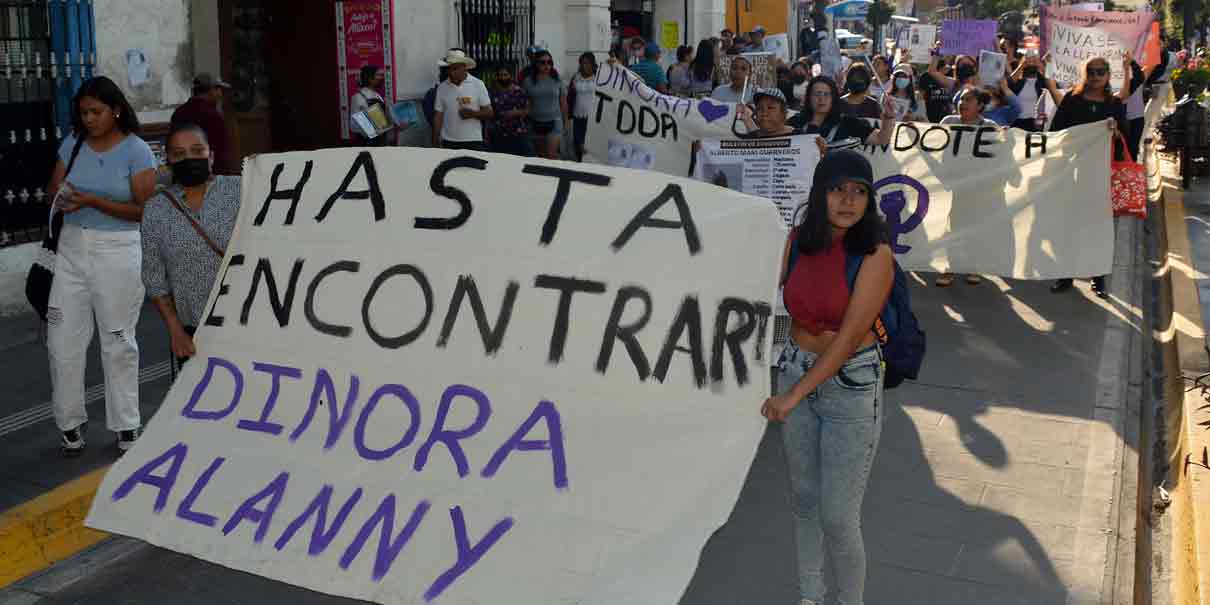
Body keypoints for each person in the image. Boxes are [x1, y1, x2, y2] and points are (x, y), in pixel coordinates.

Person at [763, 148, 894, 605]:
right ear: (820, 194)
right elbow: (750, 288)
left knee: (838, 517)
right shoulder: (797, 240)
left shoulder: (875, 254)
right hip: (796, 365)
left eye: (859, 192)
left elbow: (847, 339)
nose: (848, 200)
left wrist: (794, 394)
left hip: (851, 384)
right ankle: (810, 595)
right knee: (803, 499)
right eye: (837, 189)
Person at [46, 76, 158, 456]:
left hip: (118, 248)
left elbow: (145, 211)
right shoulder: (73, 144)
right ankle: (70, 422)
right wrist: (61, 199)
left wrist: (92, 201)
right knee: (63, 340)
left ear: (116, 111)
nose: (89, 119)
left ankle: (126, 424)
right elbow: (53, 188)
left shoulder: (136, 151)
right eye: (83, 112)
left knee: (117, 338)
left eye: (96, 112)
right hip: (72, 247)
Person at [141, 123, 240, 371]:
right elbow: (154, 277)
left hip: (250, 324)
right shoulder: (156, 210)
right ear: (169, 161)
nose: (189, 159)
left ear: (211, 156)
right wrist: (175, 329)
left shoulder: (242, 190)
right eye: (179, 154)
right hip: (195, 334)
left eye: (197, 151)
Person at [1048, 54, 1129, 297]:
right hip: (1073, 172)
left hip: (1101, 174)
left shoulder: (1113, 104)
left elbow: (1123, 136)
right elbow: (1056, 132)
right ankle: (1066, 275)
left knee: (1098, 226)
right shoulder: (1072, 100)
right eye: (1091, 72)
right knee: (1070, 225)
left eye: (1100, 72)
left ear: (1107, 75)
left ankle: (1098, 278)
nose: (1095, 76)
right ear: (1085, 74)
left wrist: (1114, 132)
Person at [933, 87, 1003, 288]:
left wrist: (1005, 137)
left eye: (968, 100)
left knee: (973, 225)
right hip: (951, 183)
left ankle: (972, 266)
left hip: (977, 186)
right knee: (952, 226)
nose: (962, 103)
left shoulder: (989, 126)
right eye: (961, 99)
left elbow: (999, 152)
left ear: (980, 105)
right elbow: (933, 142)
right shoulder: (948, 122)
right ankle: (950, 268)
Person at [788, 75, 896, 147]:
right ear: (808, 97)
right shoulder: (795, 123)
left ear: (834, 98)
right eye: (817, 94)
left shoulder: (848, 123)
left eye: (827, 94)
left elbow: (881, 139)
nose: (822, 99)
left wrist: (889, 116)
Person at [170, 73, 232, 174]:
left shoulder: (178, 113)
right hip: (208, 175)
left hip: (183, 173)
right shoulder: (213, 116)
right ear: (211, 91)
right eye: (218, 89)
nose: (220, 94)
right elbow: (219, 152)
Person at [432, 49, 493, 151]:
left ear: (464, 67)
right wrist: (434, 140)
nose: (451, 72)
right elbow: (438, 116)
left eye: (455, 68)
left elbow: (490, 113)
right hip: (448, 142)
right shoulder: (442, 88)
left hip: (473, 141)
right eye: (449, 68)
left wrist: (473, 114)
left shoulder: (478, 84)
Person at [523, 49, 569, 159]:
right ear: (536, 64)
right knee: (541, 157)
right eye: (543, 62)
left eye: (549, 62)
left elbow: (563, 103)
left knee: (551, 155)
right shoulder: (528, 82)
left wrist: (566, 121)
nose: (546, 65)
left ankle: (556, 173)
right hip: (535, 122)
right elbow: (525, 102)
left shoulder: (557, 80)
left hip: (554, 121)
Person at [348, 64, 400, 147]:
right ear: (370, 78)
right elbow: (354, 126)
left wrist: (396, 123)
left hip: (381, 143)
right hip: (367, 145)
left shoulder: (378, 96)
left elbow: (385, 122)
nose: (381, 77)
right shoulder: (358, 97)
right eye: (378, 75)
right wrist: (375, 129)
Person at [1007, 53, 1063, 131]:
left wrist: (1044, 65)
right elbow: (1008, 84)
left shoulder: (1040, 83)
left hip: (1033, 123)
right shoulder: (1019, 83)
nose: (1031, 63)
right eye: (1029, 62)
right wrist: (1022, 65)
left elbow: (1053, 86)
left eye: (1034, 61)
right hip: (1015, 122)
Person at [489, 65, 533, 157]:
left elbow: (528, 110)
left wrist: (516, 113)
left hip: (517, 133)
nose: (503, 77)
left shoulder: (519, 91)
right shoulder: (493, 92)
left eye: (505, 75)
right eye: (500, 75)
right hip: (498, 134)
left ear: (511, 76)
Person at [567, 52, 597, 161]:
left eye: (588, 63)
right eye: (583, 63)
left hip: (593, 119)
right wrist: (568, 116)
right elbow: (569, 98)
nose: (585, 66)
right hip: (578, 117)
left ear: (593, 64)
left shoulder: (598, 78)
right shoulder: (575, 78)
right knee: (578, 145)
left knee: (590, 146)